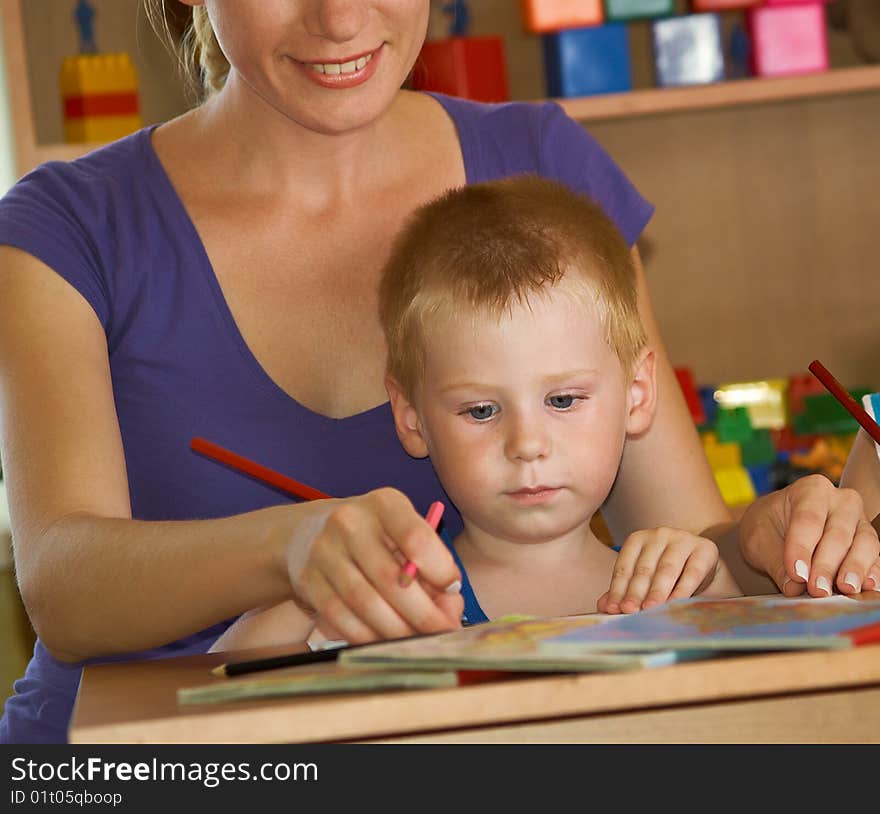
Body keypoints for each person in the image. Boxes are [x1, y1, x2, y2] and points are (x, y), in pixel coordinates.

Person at [0, 1, 875, 743]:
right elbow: (64, 590)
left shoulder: (541, 169)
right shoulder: (64, 229)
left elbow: (680, 553)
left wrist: (768, 544)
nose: (339, 19)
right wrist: (288, 545)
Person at [210, 175, 743, 651]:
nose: (527, 444)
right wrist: (321, 594)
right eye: (482, 410)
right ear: (412, 417)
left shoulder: (675, 585)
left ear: (637, 393)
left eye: (562, 400)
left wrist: (712, 577)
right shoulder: (398, 600)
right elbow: (218, 674)